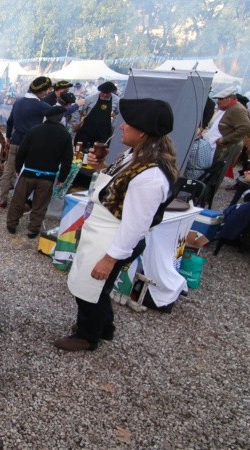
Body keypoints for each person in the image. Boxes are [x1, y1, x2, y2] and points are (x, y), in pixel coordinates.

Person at [55, 98, 177, 352]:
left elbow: (135, 225)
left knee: (92, 288)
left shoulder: (151, 176)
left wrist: (110, 259)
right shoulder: (134, 157)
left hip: (114, 238)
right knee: (98, 286)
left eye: (128, 124)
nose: (121, 127)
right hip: (101, 231)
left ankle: (88, 336)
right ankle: (105, 327)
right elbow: (117, 187)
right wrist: (100, 167)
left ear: (142, 132)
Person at [0, 76, 81, 209]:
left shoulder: (18, 102)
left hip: (15, 140)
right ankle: (19, 202)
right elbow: (60, 112)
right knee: (25, 175)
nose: (46, 93)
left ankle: (2, 199)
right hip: (31, 144)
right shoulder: (41, 105)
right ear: (41, 90)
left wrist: (8, 138)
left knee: (8, 172)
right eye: (46, 90)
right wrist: (77, 105)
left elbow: (10, 122)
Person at [6, 106, 73, 238]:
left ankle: (12, 224)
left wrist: (18, 168)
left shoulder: (34, 130)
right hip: (48, 176)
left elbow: (22, 151)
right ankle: (33, 229)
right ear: (60, 118)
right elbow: (67, 159)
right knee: (40, 204)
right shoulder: (65, 134)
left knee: (18, 200)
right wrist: (62, 178)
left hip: (29, 172)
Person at [204, 87, 250, 172]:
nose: (218, 101)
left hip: (225, 147)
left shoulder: (237, 109)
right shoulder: (225, 109)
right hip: (217, 145)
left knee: (217, 171)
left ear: (230, 99)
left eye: (221, 99)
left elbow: (246, 127)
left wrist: (225, 139)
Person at [74, 81, 120, 151]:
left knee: (99, 152)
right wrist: (77, 123)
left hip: (103, 132)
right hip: (88, 129)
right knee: (81, 149)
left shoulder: (116, 100)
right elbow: (78, 110)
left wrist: (113, 125)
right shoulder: (91, 98)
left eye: (107, 93)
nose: (104, 95)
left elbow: (119, 113)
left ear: (111, 92)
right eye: (103, 92)